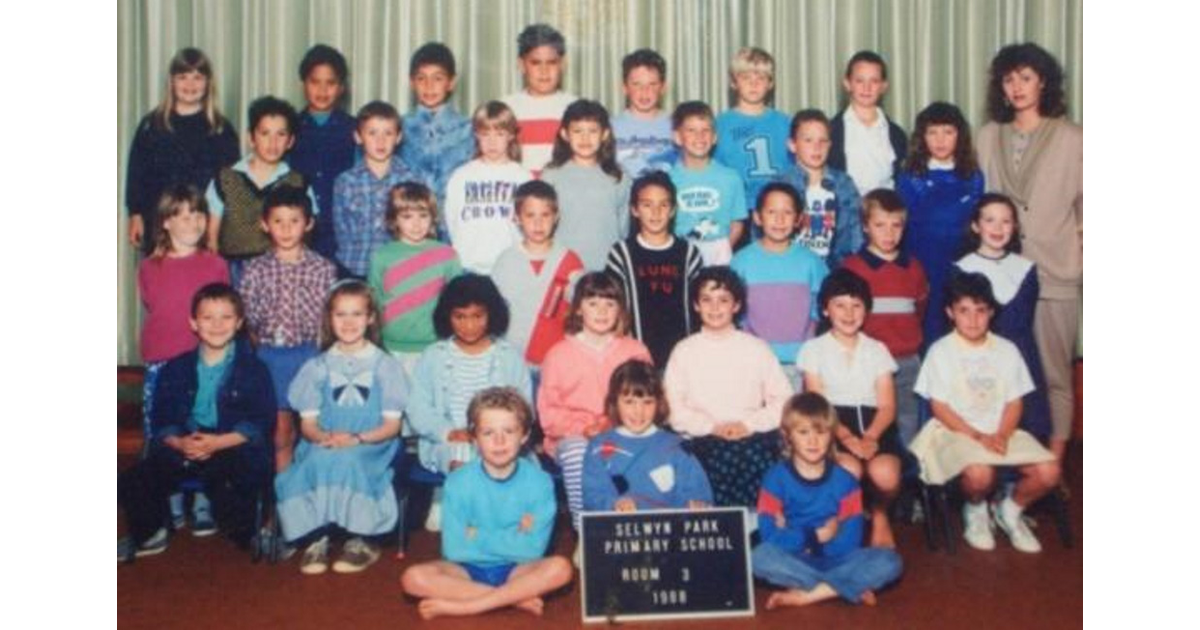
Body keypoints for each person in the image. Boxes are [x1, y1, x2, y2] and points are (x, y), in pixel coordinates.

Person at [975, 43, 1082, 463]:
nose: (1017, 87)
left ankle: (1053, 463)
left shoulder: (1073, 138)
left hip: (1055, 271)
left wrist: (1076, 256)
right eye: (1009, 79)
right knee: (1000, 373)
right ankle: (1007, 461)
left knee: (1055, 373)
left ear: (1044, 83)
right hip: (1001, 274)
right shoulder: (988, 136)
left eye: (1026, 78)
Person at [118, 283, 274, 560]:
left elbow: (260, 420)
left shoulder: (253, 369)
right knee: (134, 479)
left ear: (239, 323)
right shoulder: (176, 367)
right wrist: (180, 442)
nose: (217, 325)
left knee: (237, 521)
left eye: (226, 317)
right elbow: (162, 417)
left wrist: (218, 443)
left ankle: (233, 521)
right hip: (187, 440)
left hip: (231, 444)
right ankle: (152, 531)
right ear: (193, 323)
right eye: (207, 317)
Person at [910, 272, 1060, 553]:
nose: (973, 319)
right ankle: (976, 508)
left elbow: (1014, 402)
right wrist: (977, 436)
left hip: (1001, 428)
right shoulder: (941, 351)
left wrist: (1002, 434)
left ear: (991, 312)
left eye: (980, 311)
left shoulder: (1007, 350)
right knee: (980, 474)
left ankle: (1010, 509)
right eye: (964, 311)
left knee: (1049, 472)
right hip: (955, 431)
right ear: (950, 313)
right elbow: (939, 407)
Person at [400, 387, 574, 620]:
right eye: (488, 432)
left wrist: (476, 534)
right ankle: (513, 598)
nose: (499, 441)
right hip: (466, 570)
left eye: (509, 431)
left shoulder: (540, 482)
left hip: (518, 570)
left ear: (524, 436)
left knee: (561, 568)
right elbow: (454, 550)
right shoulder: (457, 481)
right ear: (474, 438)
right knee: (412, 578)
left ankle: (468, 605)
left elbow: (532, 551)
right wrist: (514, 535)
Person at [274, 280, 408, 574]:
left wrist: (356, 438)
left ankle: (361, 539)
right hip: (324, 439)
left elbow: (391, 426)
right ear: (329, 318)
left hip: (373, 442)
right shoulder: (317, 367)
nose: (348, 322)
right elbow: (308, 425)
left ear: (370, 318)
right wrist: (326, 438)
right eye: (340, 314)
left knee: (348, 460)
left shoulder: (385, 366)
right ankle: (317, 536)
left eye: (357, 314)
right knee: (317, 460)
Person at [752, 392, 903, 609]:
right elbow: (770, 536)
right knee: (759, 557)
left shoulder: (846, 482)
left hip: (838, 559)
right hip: (795, 558)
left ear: (831, 435)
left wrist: (795, 536)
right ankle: (845, 588)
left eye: (821, 432)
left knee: (890, 562)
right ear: (787, 436)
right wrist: (815, 536)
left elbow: (849, 542)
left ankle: (811, 594)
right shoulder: (774, 479)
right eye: (803, 432)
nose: (813, 441)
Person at [136, 185, 230, 532]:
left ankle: (204, 498)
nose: (192, 222)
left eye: (198, 214)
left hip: (203, 362)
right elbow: (153, 304)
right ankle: (172, 499)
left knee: (204, 427)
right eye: (183, 215)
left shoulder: (216, 264)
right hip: (162, 361)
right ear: (166, 222)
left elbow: (223, 310)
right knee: (165, 431)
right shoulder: (149, 267)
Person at [407, 274, 532, 530]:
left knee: (500, 457)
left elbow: (525, 407)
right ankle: (451, 499)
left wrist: (499, 432)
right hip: (448, 440)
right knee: (461, 456)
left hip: (499, 437)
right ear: (447, 316)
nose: (469, 325)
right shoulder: (433, 356)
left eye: (477, 316)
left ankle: (496, 511)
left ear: (492, 314)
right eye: (460, 317)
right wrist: (446, 431)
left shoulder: (508, 356)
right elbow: (417, 407)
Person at [664, 266, 793, 509]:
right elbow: (672, 408)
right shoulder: (684, 351)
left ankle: (754, 523)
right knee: (710, 459)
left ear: (736, 305)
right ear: (696, 305)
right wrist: (711, 427)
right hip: (701, 438)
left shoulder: (757, 348)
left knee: (757, 457)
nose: (715, 308)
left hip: (751, 438)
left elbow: (784, 400)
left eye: (723, 300)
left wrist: (748, 425)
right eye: (707, 300)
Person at [537, 272, 652, 531]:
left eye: (610, 304)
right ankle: (586, 532)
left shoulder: (635, 351)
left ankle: (631, 530)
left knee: (647, 451)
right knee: (579, 451)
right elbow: (549, 414)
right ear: (578, 309)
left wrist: (613, 423)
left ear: (620, 310)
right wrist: (584, 428)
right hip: (573, 438)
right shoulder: (558, 354)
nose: (602, 311)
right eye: (593, 303)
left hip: (625, 431)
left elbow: (648, 401)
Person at [797, 269, 901, 547]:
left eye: (856, 305)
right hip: (830, 425)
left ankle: (879, 514)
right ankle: (843, 523)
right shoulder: (813, 349)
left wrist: (871, 437)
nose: (849, 313)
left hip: (875, 426)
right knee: (848, 470)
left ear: (866, 310)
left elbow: (887, 406)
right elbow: (818, 404)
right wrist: (846, 437)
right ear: (825, 309)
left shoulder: (877, 349)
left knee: (886, 474)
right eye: (840, 305)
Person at [236, 185, 337, 472]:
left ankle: (310, 487)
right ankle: (282, 493)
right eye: (278, 221)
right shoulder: (255, 269)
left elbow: (330, 318)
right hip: (271, 357)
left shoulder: (323, 268)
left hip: (311, 354)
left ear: (309, 223)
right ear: (264, 224)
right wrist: (262, 350)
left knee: (313, 426)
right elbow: (247, 319)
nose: (286, 229)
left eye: (294, 221)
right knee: (281, 432)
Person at [949, 193, 1052, 441]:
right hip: (977, 362)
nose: (998, 228)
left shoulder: (1026, 268)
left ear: (1014, 227)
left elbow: (1025, 319)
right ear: (976, 226)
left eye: (1006, 221)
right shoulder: (961, 268)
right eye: (990, 220)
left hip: (1021, 358)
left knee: (1026, 434)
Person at [125, 47, 239, 255]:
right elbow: (137, 174)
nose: (190, 85)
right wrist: (135, 214)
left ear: (208, 83)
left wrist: (216, 229)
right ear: (171, 82)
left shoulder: (221, 130)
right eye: (182, 77)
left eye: (198, 78)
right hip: (158, 225)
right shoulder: (152, 125)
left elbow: (229, 185)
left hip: (202, 227)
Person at [840, 189, 929, 445]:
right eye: (880, 225)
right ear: (865, 226)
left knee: (907, 422)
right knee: (868, 422)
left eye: (896, 226)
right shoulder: (853, 267)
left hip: (906, 360)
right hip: (866, 360)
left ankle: (907, 468)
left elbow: (919, 310)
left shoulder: (914, 268)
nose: (889, 234)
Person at [895, 101, 984, 346]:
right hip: (921, 266)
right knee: (925, 330)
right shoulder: (909, 178)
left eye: (948, 132)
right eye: (932, 132)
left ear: (960, 135)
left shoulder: (974, 178)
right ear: (921, 137)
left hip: (960, 267)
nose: (940, 140)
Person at [731, 182, 829, 387]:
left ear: (799, 219)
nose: (779, 219)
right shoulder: (741, 261)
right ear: (757, 217)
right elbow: (734, 312)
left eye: (787, 212)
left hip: (800, 363)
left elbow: (822, 309)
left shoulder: (812, 262)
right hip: (753, 362)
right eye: (771, 212)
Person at [582, 359, 712, 511]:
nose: (639, 411)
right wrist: (613, 504)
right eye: (629, 402)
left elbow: (698, 492)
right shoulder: (599, 447)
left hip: (669, 525)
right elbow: (592, 496)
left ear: (659, 403)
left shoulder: (677, 446)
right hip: (619, 524)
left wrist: (696, 504)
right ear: (614, 402)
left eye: (648, 402)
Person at [205, 96, 314, 273]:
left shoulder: (300, 183)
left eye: (281, 134)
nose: (273, 142)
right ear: (251, 138)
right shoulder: (224, 179)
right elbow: (211, 239)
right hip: (232, 270)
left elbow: (306, 238)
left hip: (281, 270)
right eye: (265, 134)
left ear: (290, 141)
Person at [605, 171, 703, 367]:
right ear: (634, 209)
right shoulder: (621, 253)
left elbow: (698, 307)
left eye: (663, 205)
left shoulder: (688, 253)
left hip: (682, 359)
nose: (656, 213)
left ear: (673, 210)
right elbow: (613, 307)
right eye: (647, 205)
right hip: (635, 359)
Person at [367, 182, 462, 376]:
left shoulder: (447, 255)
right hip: (392, 347)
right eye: (407, 216)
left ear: (433, 217)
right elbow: (374, 303)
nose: (416, 224)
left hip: (436, 347)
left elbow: (456, 304)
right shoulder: (381, 256)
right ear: (394, 219)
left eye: (423, 215)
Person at [492, 180, 585, 367]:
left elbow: (580, 313)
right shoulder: (505, 261)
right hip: (514, 360)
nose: (538, 223)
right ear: (517, 218)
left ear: (556, 217)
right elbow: (495, 314)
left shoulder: (570, 261)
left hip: (558, 360)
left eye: (545, 215)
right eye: (530, 215)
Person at [333, 100, 427, 278]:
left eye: (388, 133)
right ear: (358, 137)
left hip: (398, 271)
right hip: (355, 269)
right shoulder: (345, 182)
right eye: (372, 133)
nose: (380, 141)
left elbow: (419, 231)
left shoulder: (412, 180)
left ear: (398, 137)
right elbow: (342, 233)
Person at [443, 101, 534, 274]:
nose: (492, 142)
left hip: (510, 268)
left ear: (511, 135)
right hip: (468, 267)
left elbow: (529, 225)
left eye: (499, 134)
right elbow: (451, 221)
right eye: (485, 134)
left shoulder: (523, 177)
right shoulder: (461, 176)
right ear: (476, 135)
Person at [541, 100, 631, 271]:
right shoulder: (551, 175)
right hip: (562, 269)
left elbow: (623, 230)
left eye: (592, 131)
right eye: (577, 131)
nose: (585, 138)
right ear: (565, 134)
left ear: (605, 134)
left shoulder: (619, 177)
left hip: (607, 269)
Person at [288, 44, 358, 265]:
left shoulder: (354, 129)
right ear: (303, 84)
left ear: (341, 88)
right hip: (296, 232)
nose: (322, 90)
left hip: (341, 234)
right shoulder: (289, 128)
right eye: (315, 82)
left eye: (331, 83)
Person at [773, 109, 863, 268]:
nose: (817, 147)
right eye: (808, 140)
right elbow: (764, 239)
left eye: (823, 141)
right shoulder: (778, 186)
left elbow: (856, 234)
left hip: (835, 271)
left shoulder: (844, 184)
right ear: (792, 145)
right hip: (790, 269)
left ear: (830, 145)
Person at [713, 47, 791, 221]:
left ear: (770, 83)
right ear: (734, 82)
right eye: (746, 78)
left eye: (761, 78)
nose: (753, 84)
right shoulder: (720, 124)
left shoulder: (785, 123)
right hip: (737, 208)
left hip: (777, 207)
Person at [668, 101, 747, 266]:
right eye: (691, 130)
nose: (700, 137)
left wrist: (723, 250)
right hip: (679, 256)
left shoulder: (731, 178)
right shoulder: (668, 180)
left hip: (720, 256)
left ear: (715, 137)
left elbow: (737, 222)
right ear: (677, 137)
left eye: (706, 130)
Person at [400, 42, 475, 209]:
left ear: (451, 82)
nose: (429, 86)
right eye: (421, 78)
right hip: (409, 217)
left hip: (454, 217)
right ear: (412, 82)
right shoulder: (398, 128)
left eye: (438, 78)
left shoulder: (468, 130)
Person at [828, 51, 908, 196]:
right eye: (860, 81)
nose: (867, 88)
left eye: (874, 81)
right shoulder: (831, 131)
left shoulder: (897, 135)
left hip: (887, 208)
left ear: (884, 86)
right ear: (847, 84)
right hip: (845, 207)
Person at [502, 23, 577, 175]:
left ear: (562, 64)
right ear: (521, 65)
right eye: (536, 63)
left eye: (552, 62)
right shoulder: (506, 108)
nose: (544, 71)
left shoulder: (575, 108)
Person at [612, 48, 676, 177]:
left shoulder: (677, 126)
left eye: (652, 84)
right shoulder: (610, 127)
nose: (645, 91)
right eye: (636, 84)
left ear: (663, 88)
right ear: (625, 88)